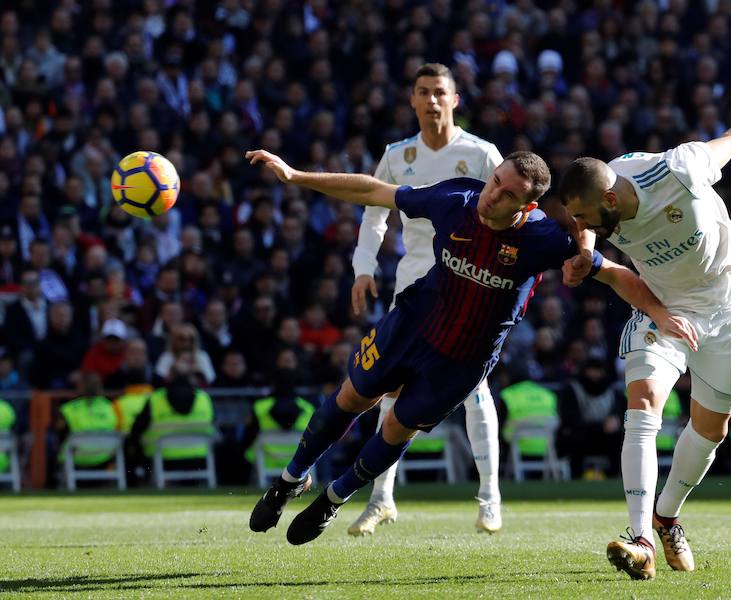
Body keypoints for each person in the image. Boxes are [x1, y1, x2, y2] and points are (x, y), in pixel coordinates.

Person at [243, 146, 697, 546]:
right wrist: (295, 175)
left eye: (507, 194)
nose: (492, 195)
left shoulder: (541, 239)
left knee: (396, 429)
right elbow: (375, 191)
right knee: (352, 397)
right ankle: (288, 481)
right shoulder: (454, 198)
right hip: (411, 325)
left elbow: (612, 269)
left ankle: (333, 498)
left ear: (527, 206)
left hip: (461, 362)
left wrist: (657, 311)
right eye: (495, 181)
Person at [558, 83, 731, 580]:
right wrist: (586, 253)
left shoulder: (679, 170)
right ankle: (640, 539)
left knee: (712, 429)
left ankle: (667, 517)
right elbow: (597, 242)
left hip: (728, 305)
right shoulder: (600, 198)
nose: (579, 223)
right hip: (660, 305)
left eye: (584, 216)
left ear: (610, 197)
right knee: (643, 402)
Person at [348, 62, 507, 535]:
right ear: (413, 100)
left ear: (454, 100)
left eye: (440, 92)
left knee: (474, 388)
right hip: (414, 282)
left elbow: (516, 208)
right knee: (391, 388)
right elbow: (373, 213)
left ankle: (490, 498)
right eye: (424, 91)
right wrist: (363, 267)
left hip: (470, 283)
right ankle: (381, 499)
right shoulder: (398, 155)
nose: (432, 100)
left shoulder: (481, 153)